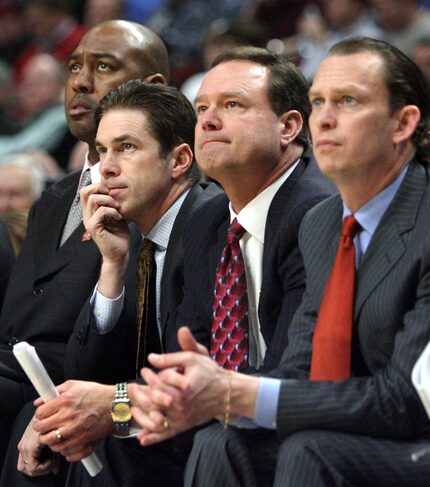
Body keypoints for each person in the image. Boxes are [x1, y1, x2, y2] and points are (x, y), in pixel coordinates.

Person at [130, 37, 430, 487]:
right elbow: (302, 362)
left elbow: (408, 399)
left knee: (309, 450)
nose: (324, 118)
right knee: (220, 442)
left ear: (403, 123)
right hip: (350, 422)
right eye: (318, 102)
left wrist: (237, 393)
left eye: (348, 101)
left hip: (414, 434)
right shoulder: (324, 224)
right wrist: (208, 392)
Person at [26, 80, 219, 487]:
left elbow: (202, 375)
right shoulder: (137, 238)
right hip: (164, 419)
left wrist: (115, 405)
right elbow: (86, 370)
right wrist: (112, 264)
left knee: (107, 439)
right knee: (49, 427)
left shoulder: (209, 223)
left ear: (180, 160)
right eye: (101, 151)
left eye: (127, 148)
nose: (106, 167)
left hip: (208, 424)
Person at [0, 19, 169, 480]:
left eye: (103, 66)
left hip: (84, 388)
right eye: (74, 65)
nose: (79, 80)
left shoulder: (162, 198)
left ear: (152, 88)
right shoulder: (53, 197)